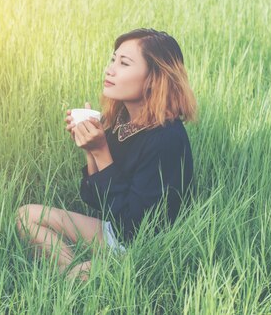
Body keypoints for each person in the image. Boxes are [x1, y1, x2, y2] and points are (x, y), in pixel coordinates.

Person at [15, 28, 198, 281]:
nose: (110, 69)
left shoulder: (165, 138)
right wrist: (91, 150)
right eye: (113, 59)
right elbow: (95, 200)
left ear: (154, 78)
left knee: (90, 272)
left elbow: (134, 226)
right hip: (115, 231)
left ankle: (73, 276)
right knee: (26, 216)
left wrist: (102, 151)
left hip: (145, 246)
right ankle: (69, 272)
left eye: (124, 63)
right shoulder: (122, 119)